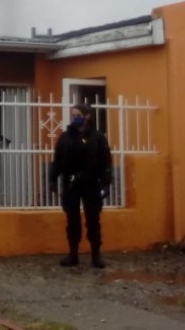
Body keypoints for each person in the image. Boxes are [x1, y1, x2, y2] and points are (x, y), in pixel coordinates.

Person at [50, 103, 113, 268]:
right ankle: (73, 254)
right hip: (71, 183)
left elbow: (106, 161)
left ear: (87, 116)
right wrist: (52, 179)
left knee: (93, 219)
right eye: (73, 115)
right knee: (72, 219)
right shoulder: (65, 137)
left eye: (78, 115)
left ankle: (96, 255)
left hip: (91, 183)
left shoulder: (98, 137)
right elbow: (57, 160)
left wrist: (106, 183)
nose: (75, 118)